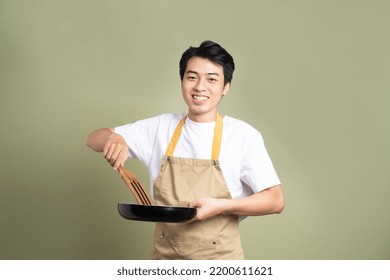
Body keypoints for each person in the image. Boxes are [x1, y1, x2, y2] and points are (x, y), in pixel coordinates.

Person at [86, 40, 284, 260]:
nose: (200, 87)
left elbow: (275, 200)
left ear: (225, 87)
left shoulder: (242, 135)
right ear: (182, 81)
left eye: (211, 79)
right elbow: (94, 138)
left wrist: (221, 207)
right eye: (192, 77)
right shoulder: (160, 127)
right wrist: (115, 138)